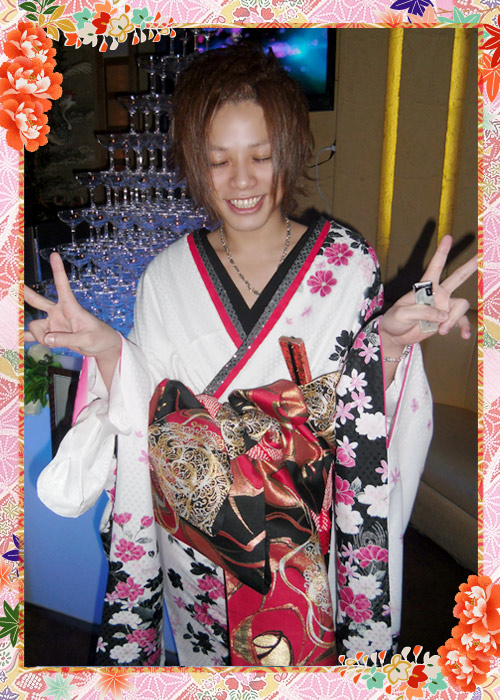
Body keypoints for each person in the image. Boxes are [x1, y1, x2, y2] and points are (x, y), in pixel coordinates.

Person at [25, 43, 477, 667]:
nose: (242, 181)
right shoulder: (166, 276)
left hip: (306, 544)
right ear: (196, 163)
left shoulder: (346, 263)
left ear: (288, 152)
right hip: (199, 549)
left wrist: (391, 344)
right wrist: (109, 350)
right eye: (219, 161)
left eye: (260, 157)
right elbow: (149, 411)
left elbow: (363, 408)